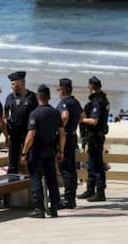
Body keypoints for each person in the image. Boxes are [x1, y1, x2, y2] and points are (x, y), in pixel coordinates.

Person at [21, 84, 65, 218]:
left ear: (37, 97)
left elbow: (30, 135)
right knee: (52, 180)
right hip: (51, 151)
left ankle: (39, 209)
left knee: (36, 179)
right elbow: (62, 134)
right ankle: (54, 208)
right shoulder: (55, 113)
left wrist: (24, 153)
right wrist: (60, 150)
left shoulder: (35, 114)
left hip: (37, 152)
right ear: (49, 97)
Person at [79, 76, 110, 202]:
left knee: (96, 164)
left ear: (91, 87)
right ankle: (90, 189)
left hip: (95, 136)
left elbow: (94, 121)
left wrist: (81, 120)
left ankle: (100, 192)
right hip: (97, 136)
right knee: (92, 164)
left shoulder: (97, 101)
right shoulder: (104, 100)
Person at [55, 78, 84, 209]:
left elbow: (65, 116)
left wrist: (59, 127)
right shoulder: (75, 102)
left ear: (63, 90)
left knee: (65, 169)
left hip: (65, 137)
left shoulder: (64, 102)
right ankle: (71, 198)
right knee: (71, 168)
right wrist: (74, 125)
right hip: (72, 136)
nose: (58, 92)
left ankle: (67, 199)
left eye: (59, 90)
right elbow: (83, 116)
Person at [4, 71, 38, 174]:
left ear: (21, 83)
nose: (11, 86)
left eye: (13, 84)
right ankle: (11, 185)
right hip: (14, 134)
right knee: (13, 162)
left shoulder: (32, 97)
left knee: (31, 160)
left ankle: (32, 185)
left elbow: (39, 115)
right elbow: (4, 114)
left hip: (28, 133)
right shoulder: (10, 97)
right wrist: (6, 134)